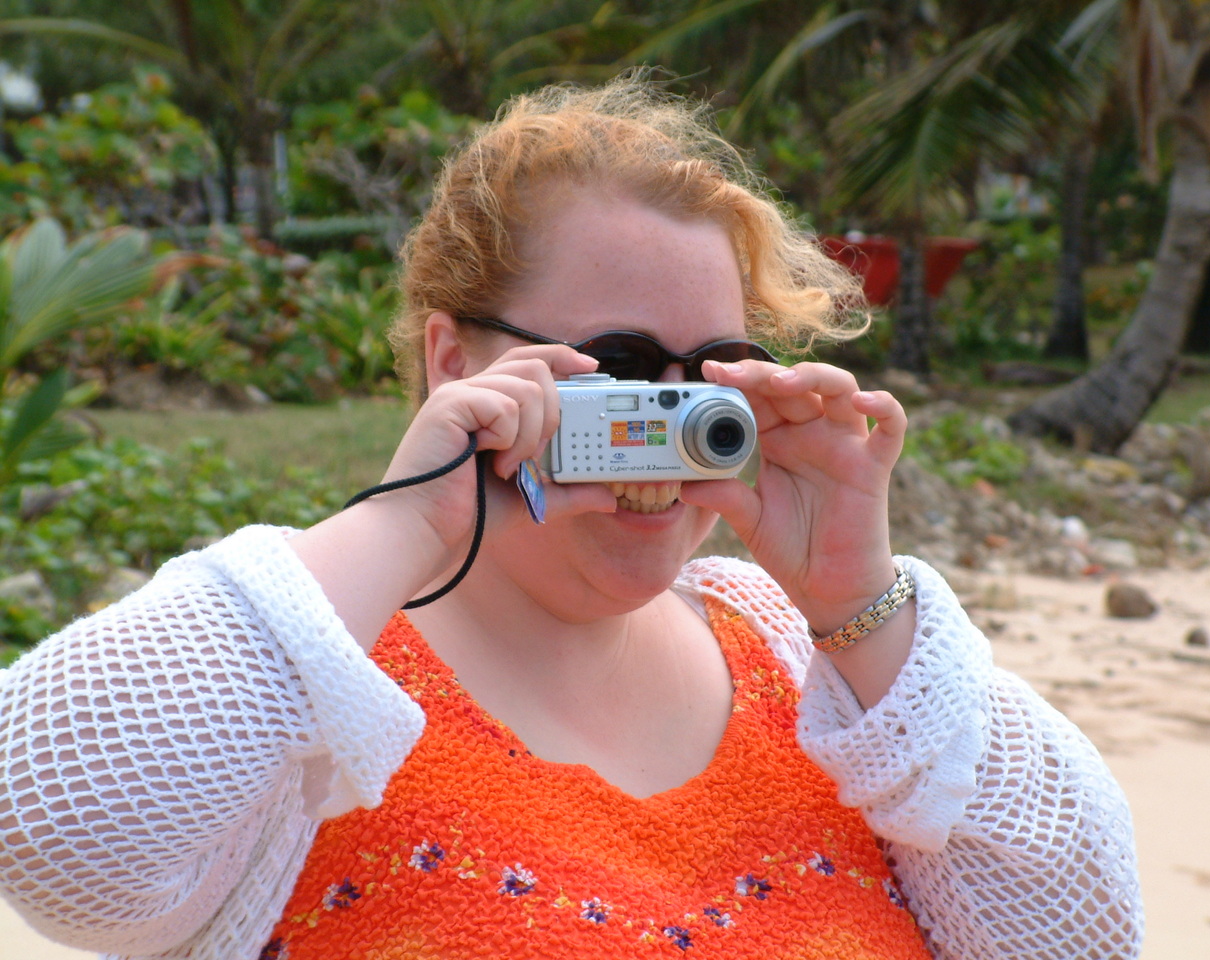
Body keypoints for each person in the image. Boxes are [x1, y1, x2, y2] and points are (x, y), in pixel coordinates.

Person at [0, 75, 1142, 960]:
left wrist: (856, 606)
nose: (667, 420)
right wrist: (401, 522)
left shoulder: (814, 663)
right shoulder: (307, 679)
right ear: (454, 359)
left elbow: (1079, 931)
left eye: (711, 376)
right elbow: (46, 822)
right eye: (622, 366)